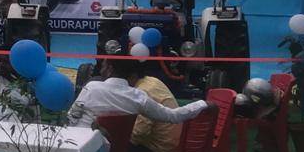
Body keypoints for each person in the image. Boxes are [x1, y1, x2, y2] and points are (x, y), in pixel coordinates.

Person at [68, 54, 208, 130]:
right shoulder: (138, 97)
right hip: (111, 151)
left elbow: (72, 116)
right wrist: (202, 104)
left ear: (110, 69)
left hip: (79, 143)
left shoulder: (92, 87)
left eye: (104, 67)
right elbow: (173, 116)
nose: (101, 71)